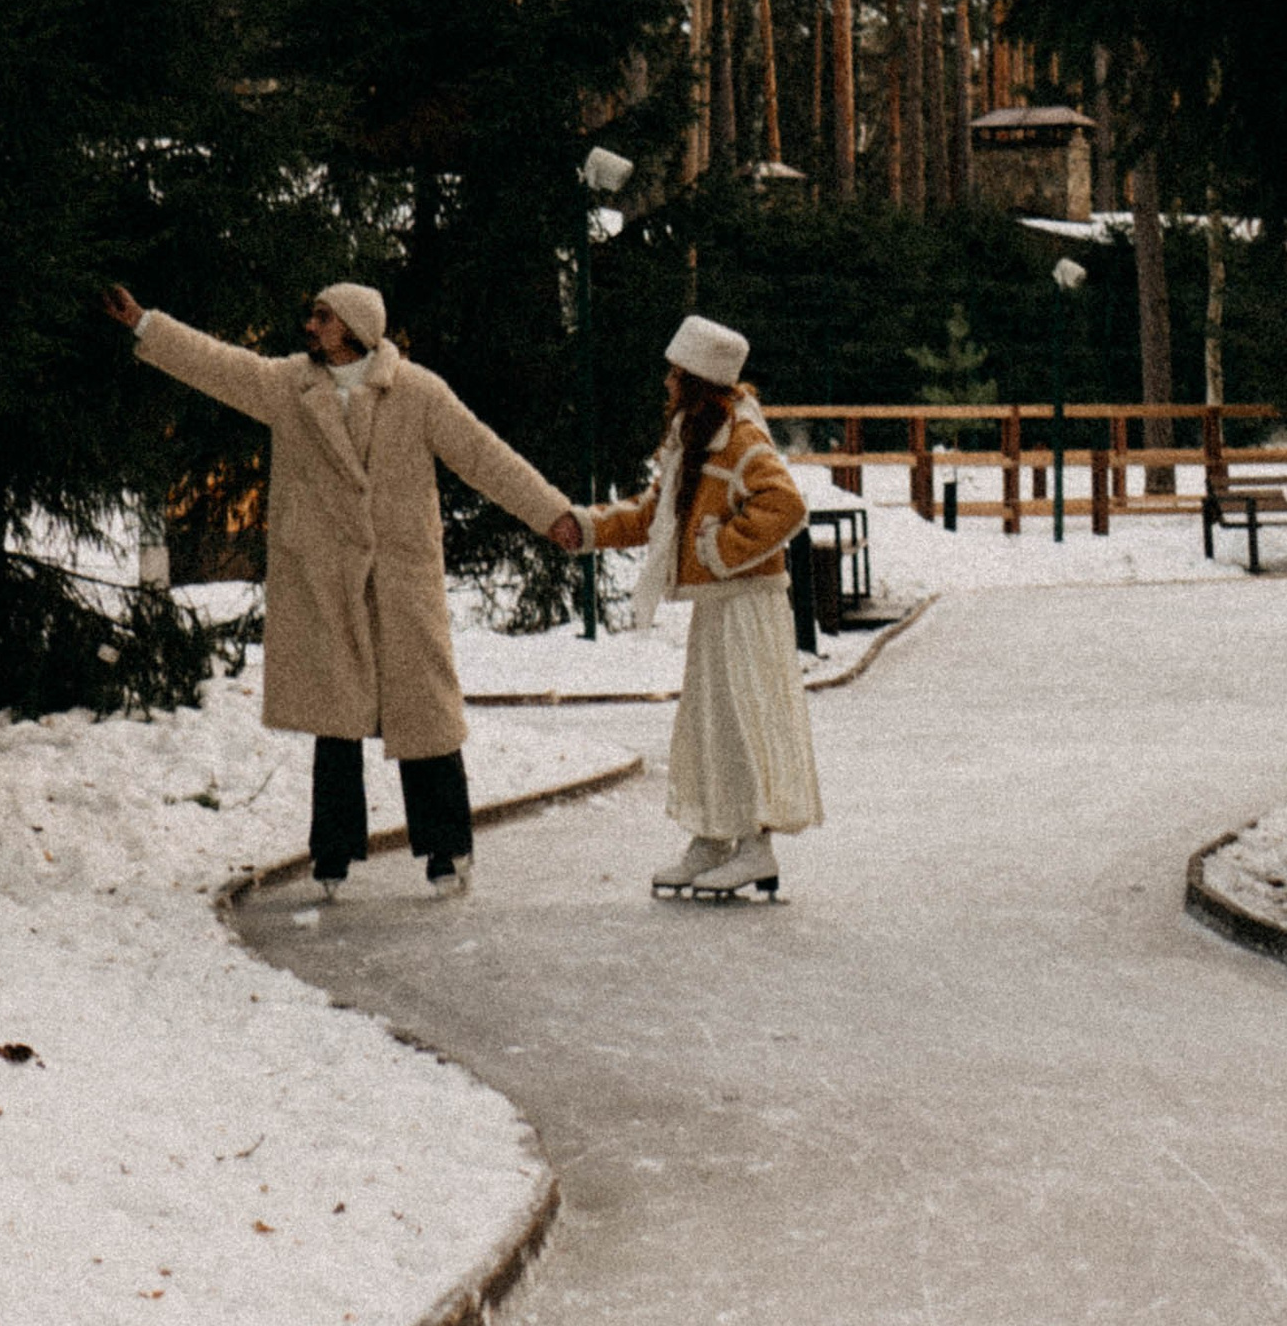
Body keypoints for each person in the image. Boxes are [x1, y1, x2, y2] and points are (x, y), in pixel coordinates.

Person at [105, 279, 571, 898]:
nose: (311, 327)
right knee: (336, 718)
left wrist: (556, 515)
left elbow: (485, 457)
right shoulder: (289, 388)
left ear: (354, 327)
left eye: (322, 318)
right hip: (324, 577)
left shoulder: (418, 393)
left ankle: (447, 850)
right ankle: (332, 856)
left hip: (401, 577)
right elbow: (215, 364)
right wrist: (145, 324)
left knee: (426, 715)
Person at [551, 313, 820, 900]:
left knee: (745, 721)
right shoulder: (690, 444)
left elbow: (787, 506)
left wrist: (719, 550)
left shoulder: (743, 441)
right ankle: (714, 835)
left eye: (675, 375)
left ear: (698, 380)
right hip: (718, 607)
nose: (666, 385)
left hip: (748, 608)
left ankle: (755, 844)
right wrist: (589, 527)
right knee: (709, 724)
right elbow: (653, 516)